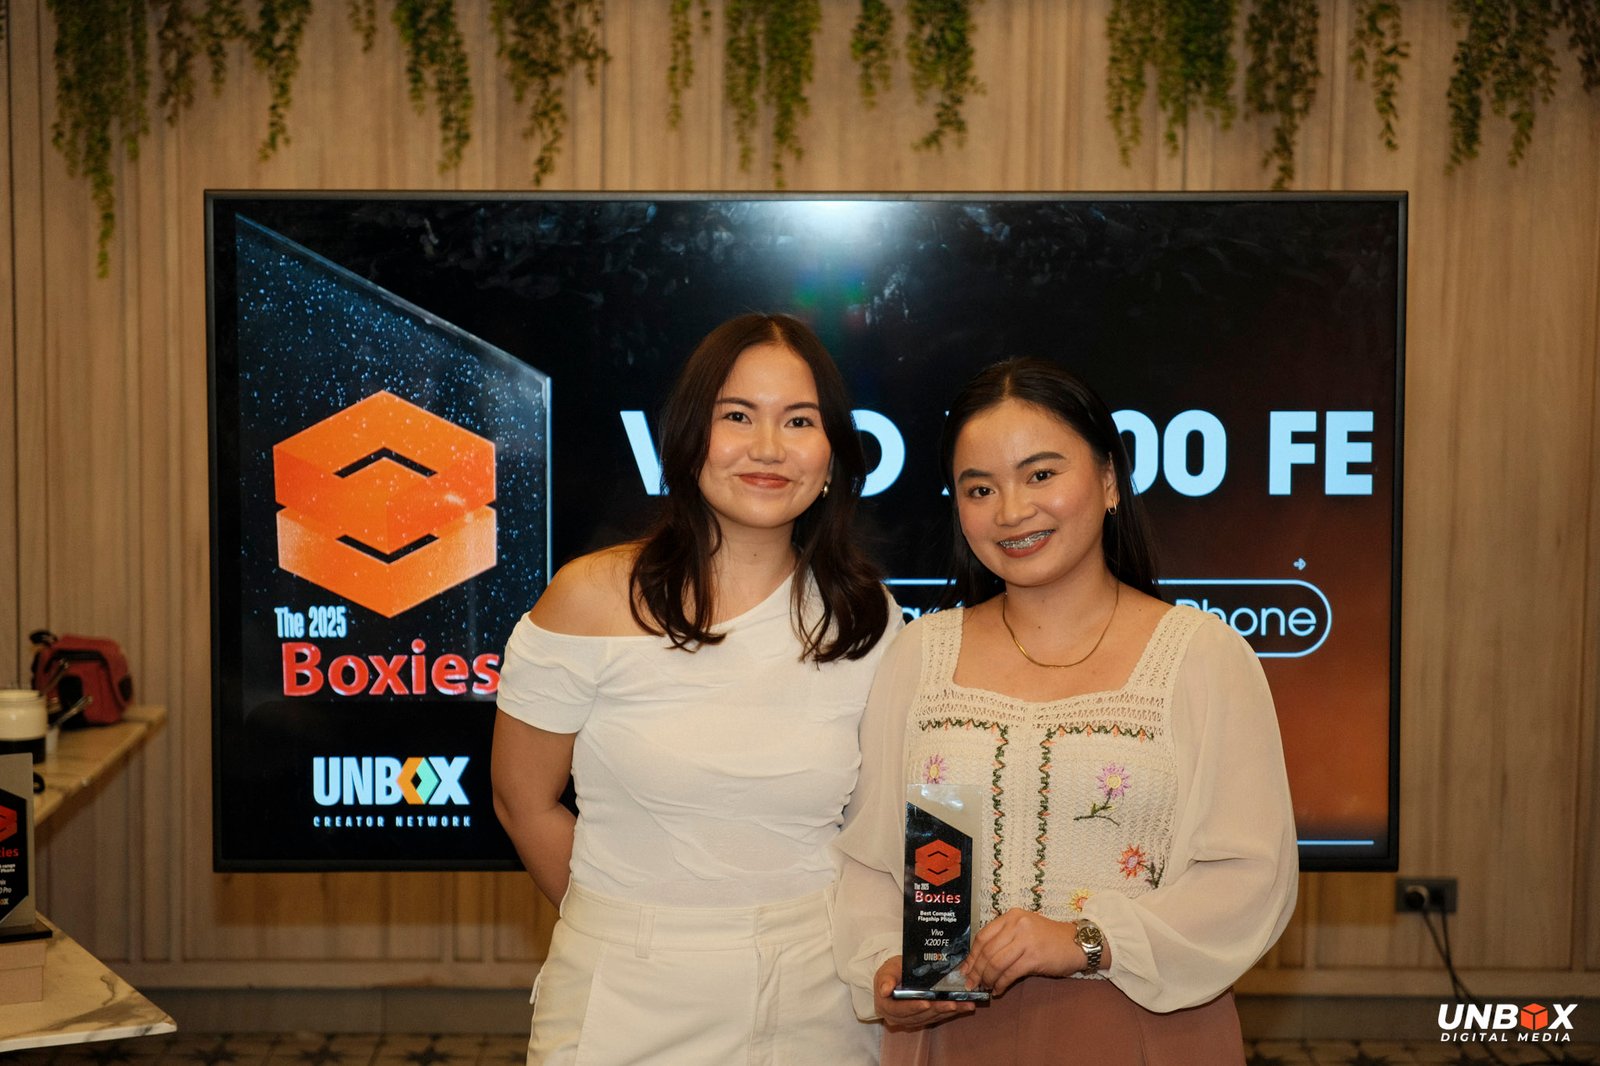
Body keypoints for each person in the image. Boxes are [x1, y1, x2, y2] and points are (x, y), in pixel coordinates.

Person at [833, 357, 1297, 1064]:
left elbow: (1250, 875)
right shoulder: (920, 654)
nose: (1011, 511)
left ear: (1109, 479)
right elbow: (870, 861)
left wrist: (1085, 940)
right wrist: (884, 968)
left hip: (1144, 1025)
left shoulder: (1202, 656)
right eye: (980, 488)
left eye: (1041, 474)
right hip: (950, 1032)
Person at [493, 312, 900, 1065]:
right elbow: (523, 801)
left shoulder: (865, 616)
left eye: (799, 420)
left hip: (822, 996)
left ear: (832, 456)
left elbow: (877, 824)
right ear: (687, 439)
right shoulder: (589, 598)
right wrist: (631, 928)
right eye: (737, 416)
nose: (768, 448)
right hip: (630, 991)